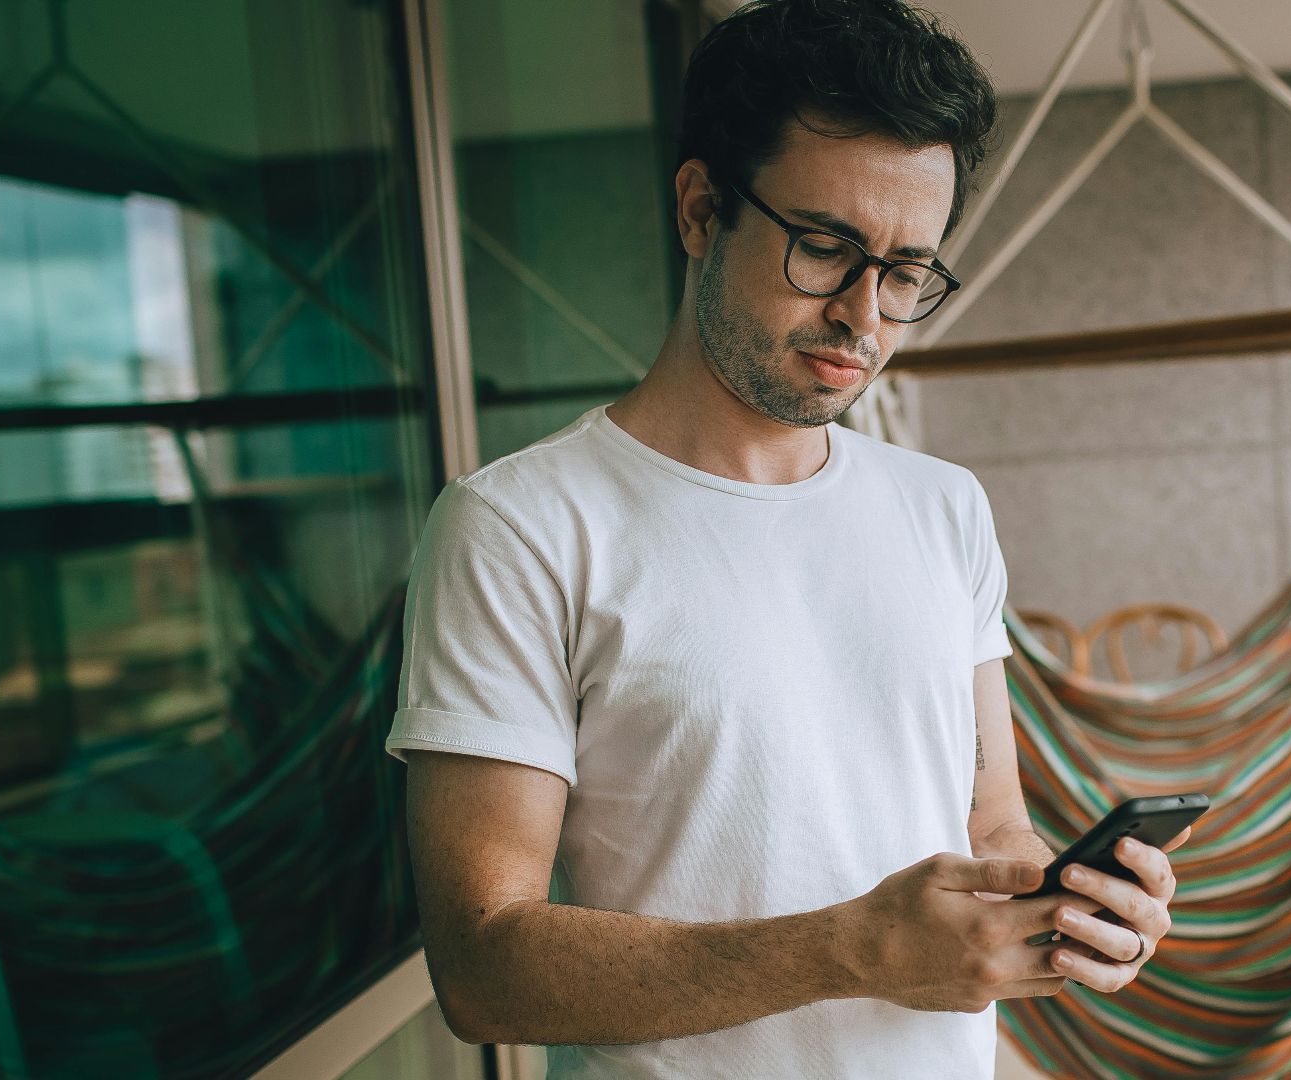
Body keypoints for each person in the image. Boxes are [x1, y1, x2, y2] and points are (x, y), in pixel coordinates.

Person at [385, 1, 1187, 1076]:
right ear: (701, 209)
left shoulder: (944, 507)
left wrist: (1070, 913)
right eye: (825, 249)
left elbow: (995, 826)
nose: (866, 317)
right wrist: (849, 950)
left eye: (907, 272)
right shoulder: (518, 530)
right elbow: (483, 973)